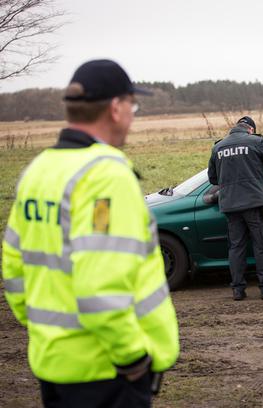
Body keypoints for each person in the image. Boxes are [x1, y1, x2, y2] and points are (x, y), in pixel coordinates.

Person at [1, 60, 180, 408]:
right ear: (115, 108)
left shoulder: (38, 171)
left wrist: (49, 330)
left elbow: (14, 267)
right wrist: (133, 359)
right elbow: (101, 287)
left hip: (54, 363)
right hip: (106, 371)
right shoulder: (106, 177)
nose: (132, 116)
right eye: (132, 105)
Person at [208, 116, 263, 301]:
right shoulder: (256, 142)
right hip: (255, 203)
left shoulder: (218, 147)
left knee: (236, 247)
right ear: (251, 129)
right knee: (262, 246)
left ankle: (238, 290)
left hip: (230, 205)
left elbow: (213, 178)